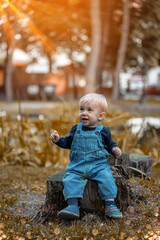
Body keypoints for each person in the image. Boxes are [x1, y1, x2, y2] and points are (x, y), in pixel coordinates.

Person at [50, 93, 123, 220]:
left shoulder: (103, 131)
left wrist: (114, 149)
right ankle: (72, 206)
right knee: (70, 179)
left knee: (107, 179)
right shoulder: (75, 129)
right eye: (82, 109)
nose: (84, 113)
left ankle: (110, 205)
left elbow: (110, 144)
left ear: (100, 115)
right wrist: (58, 140)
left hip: (98, 166)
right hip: (77, 166)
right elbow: (67, 143)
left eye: (89, 110)